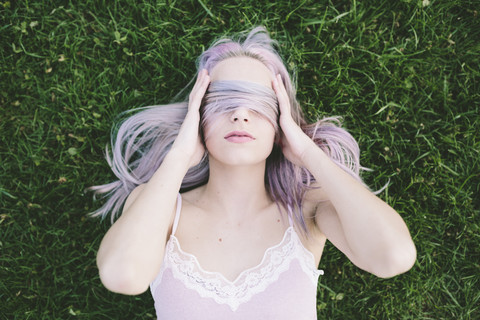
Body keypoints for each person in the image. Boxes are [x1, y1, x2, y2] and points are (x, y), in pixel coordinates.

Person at [90, 27, 416, 319]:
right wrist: (179, 157)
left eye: (260, 104)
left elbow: (394, 256)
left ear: (279, 124)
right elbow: (122, 275)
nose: (241, 114)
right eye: (222, 101)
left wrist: (306, 152)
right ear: (198, 117)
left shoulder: (308, 210)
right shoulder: (160, 208)